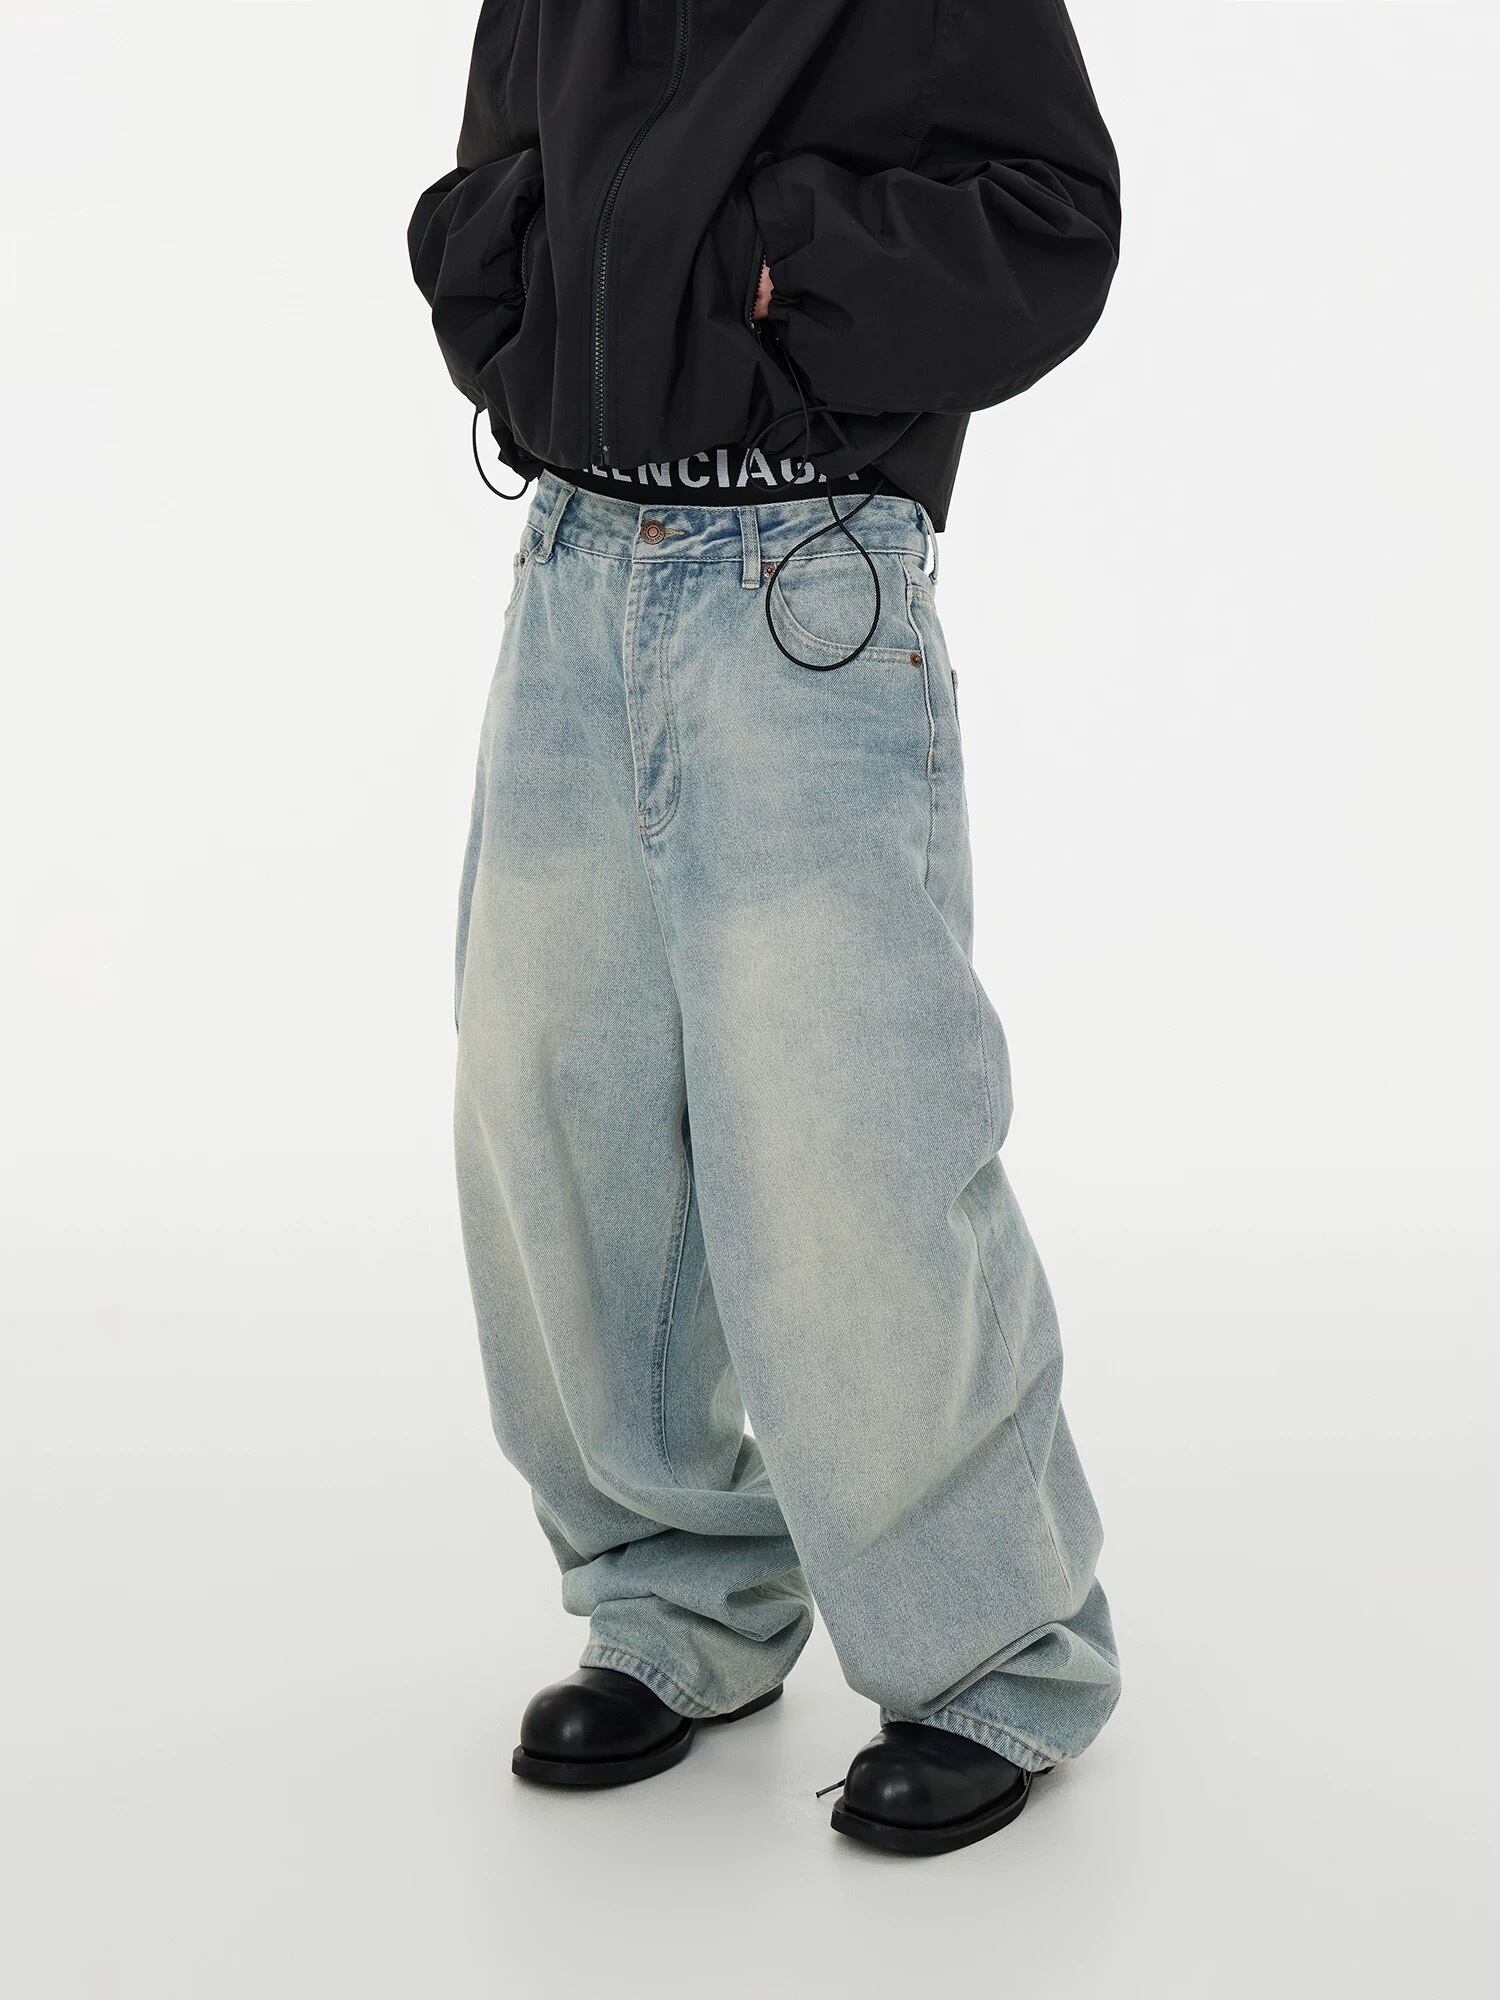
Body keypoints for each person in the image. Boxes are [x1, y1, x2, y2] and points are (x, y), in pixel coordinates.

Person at [408, 0, 1121, 1858]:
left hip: (804, 580)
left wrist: (750, 274)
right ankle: (680, 1599)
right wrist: (548, 294)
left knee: (844, 1148)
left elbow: (1050, 223)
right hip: (571, 569)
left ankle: (995, 1654)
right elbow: (487, 189)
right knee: (552, 1119)